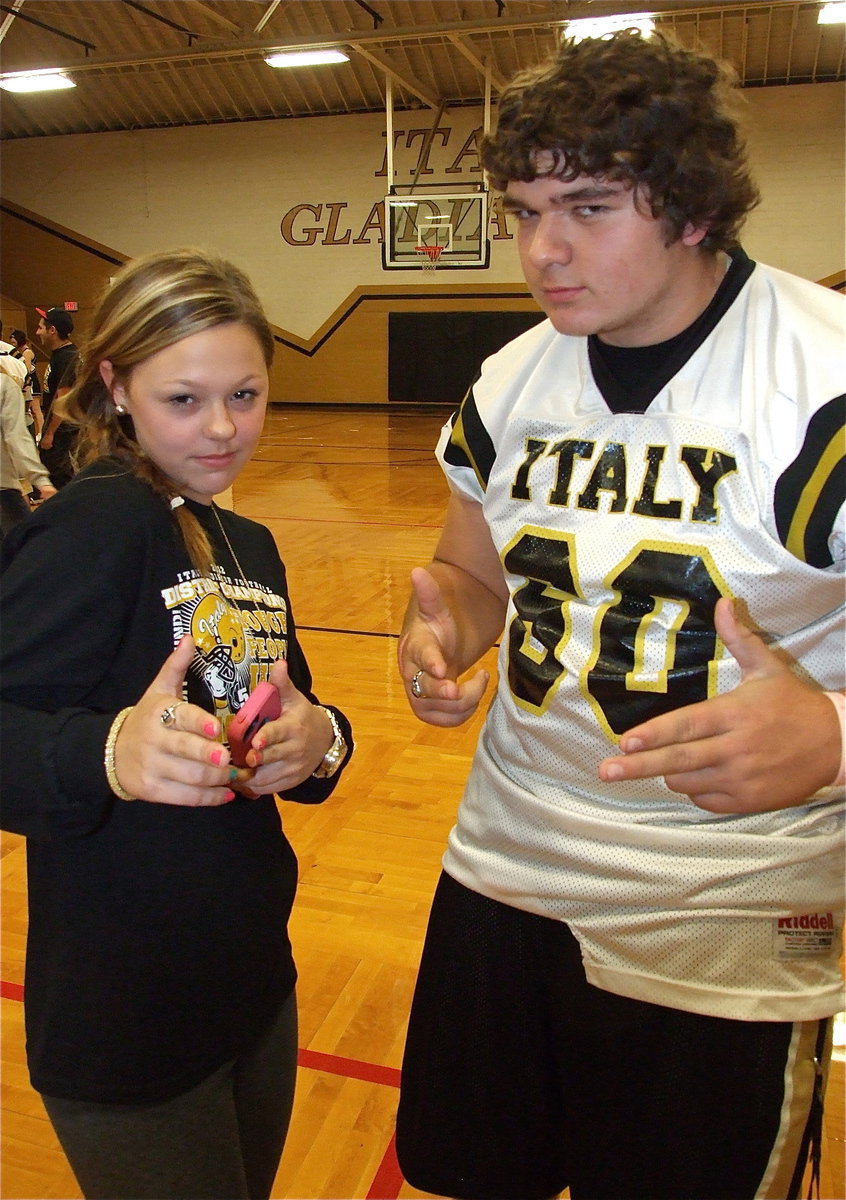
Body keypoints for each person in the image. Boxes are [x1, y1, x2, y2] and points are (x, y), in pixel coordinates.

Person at [395, 29, 844, 1200]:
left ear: (694, 207)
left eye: (587, 208)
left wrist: (835, 734)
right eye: (524, 211)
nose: (542, 250)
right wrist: (443, 635)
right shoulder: (511, 380)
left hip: (726, 900)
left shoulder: (822, 384)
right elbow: (472, 576)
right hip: (508, 866)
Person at [0, 249, 353, 1200]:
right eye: (184, 400)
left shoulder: (249, 542)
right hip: (126, 1019)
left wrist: (322, 740)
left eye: (245, 394)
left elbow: (295, 717)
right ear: (117, 386)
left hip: (253, 985)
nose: (223, 427)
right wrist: (108, 750)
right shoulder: (99, 525)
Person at [0, 372, 56, 537]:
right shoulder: (4, 385)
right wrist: (41, 481)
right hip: (3, 489)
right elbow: (16, 436)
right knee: (25, 544)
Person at [35, 304, 79, 488]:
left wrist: (50, 433)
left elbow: (64, 398)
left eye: (40, 327)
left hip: (63, 432)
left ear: (52, 330)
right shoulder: (59, 355)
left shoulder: (67, 357)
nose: (37, 332)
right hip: (59, 430)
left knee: (60, 480)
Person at [9, 327, 44, 440]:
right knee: (33, 410)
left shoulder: (27, 352)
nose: (12, 345)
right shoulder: (20, 352)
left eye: (14, 342)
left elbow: (26, 369)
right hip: (28, 382)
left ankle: (41, 432)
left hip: (32, 382)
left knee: (36, 409)